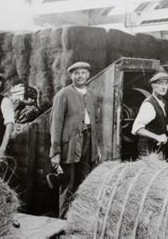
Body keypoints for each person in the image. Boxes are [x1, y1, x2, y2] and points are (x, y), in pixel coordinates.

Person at [49, 61, 101, 219]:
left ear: (88, 75)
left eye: (83, 73)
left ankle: (80, 219)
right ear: (71, 76)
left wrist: (96, 147)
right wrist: (55, 152)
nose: (80, 76)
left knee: (84, 181)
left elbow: (95, 122)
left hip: (88, 142)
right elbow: (55, 124)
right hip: (69, 145)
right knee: (68, 183)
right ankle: (63, 221)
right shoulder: (63, 94)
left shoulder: (91, 94)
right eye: (76, 73)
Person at [131, 72, 168, 158]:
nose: (164, 87)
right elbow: (137, 128)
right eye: (160, 83)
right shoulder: (149, 105)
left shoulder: (162, 102)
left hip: (157, 148)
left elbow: (159, 126)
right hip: (147, 150)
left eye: (166, 84)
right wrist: (157, 137)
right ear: (153, 86)